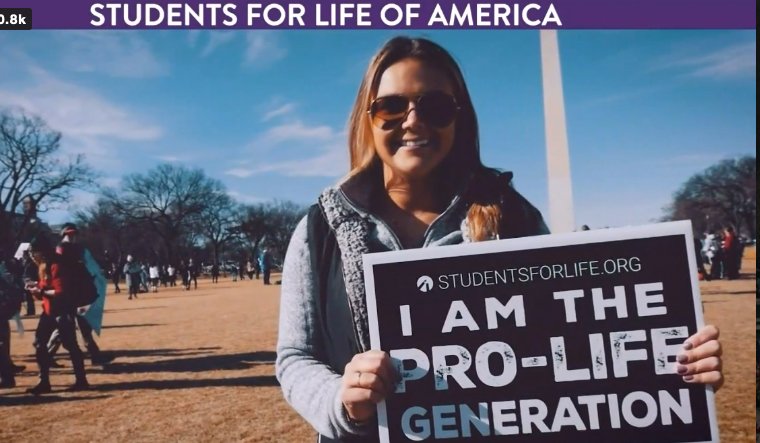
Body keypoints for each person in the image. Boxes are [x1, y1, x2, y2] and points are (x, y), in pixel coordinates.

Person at [274, 37, 724, 442]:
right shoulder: (320, 230)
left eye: (434, 107)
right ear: (367, 119)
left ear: (459, 117)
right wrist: (342, 399)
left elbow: (569, 348)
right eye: (391, 107)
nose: (413, 122)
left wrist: (671, 363)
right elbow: (295, 358)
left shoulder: (515, 216)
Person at [25, 235, 89, 394]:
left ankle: (81, 380)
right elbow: (45, 288)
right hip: (49, 310)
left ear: (43, 251)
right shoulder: (43, 266)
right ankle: (44, 381)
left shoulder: (57, 265)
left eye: (35, 252)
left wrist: (41, 291)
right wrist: (36, 289)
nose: (33, 255)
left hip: (62, 311)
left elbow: (61, 291)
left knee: (70, 345)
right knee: (40, 344)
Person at [47, 223, 113, 367]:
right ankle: (46, 355)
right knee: (63, 328)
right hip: (68, 293)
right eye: (69, 234)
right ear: (64, 234)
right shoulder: (61, 249)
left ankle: (95, 354)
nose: (72, 236)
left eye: (74, 234)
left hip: (81, 293)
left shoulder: (78, 249)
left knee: (84, 324)